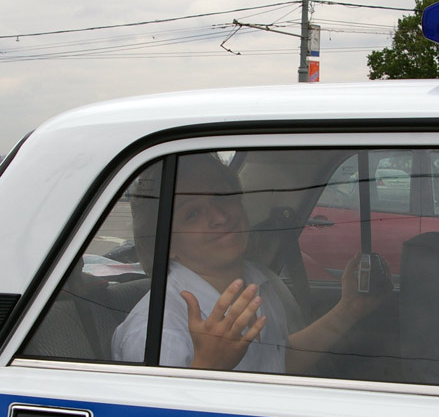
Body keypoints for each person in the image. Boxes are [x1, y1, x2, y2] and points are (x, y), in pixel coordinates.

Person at [112, 154, 390, 374]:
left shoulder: (260, 279)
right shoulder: (157, 330)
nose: (220, 217)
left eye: (222, 196)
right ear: (165, 242)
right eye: (192, 214)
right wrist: (208, 367)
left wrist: (350, 308)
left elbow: (278, 361)